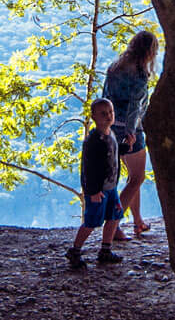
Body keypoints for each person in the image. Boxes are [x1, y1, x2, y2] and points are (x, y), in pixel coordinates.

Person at [101, 29, 158, 238]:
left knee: (131, 177)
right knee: (137, 178)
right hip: (130, 131)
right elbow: (136, 107)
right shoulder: (140, 74)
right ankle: (114, 225)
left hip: (111, 127)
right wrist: (131, 132)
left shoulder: (115, 67)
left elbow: (105, 97)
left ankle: (137, 221)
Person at [66, 99, 124, 268]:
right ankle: (75, 250)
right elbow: (89, 168)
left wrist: (126, 147)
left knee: (114, 216)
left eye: (110, 112)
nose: (108, 116)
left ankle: (105, 250)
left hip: (110, 187)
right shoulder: (94, 141)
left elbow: (113, 153)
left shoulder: (110, 134)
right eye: (103, 113)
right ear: (93, 117)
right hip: (98, 190)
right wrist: (93, 191)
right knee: (92, 221)